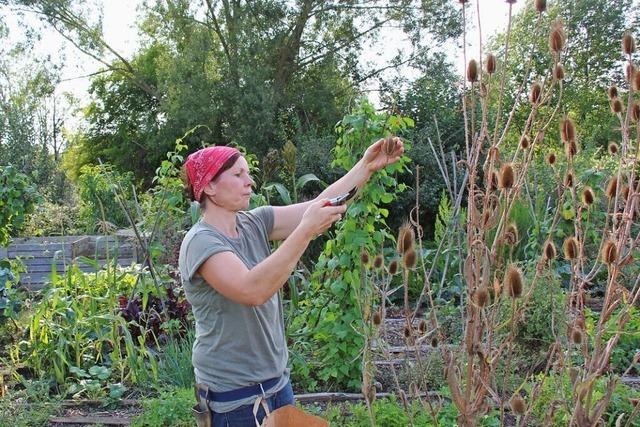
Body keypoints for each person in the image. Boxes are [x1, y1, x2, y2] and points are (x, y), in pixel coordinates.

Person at [179, 137, 404, 427]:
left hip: (277, 386)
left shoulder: (254, 222)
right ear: (209, 186)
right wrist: (306, 231)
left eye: (248, 173)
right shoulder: (201, 242)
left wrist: (366, 166)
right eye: (238, 175)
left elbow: (320, 204)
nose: (250, 182)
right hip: (234, 399)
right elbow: (253, 289)